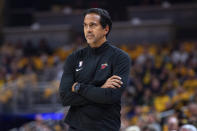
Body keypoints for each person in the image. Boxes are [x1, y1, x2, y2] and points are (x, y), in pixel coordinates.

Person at [59, 8, 131, 131]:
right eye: (85, 25)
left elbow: (111, 96)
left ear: (106, 29)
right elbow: (65, 97)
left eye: (93, 25)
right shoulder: (74, 58)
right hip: (76, 126)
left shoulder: (120, 57)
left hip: (105, 126)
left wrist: (79, 87)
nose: (88, 30)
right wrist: (100, 88)